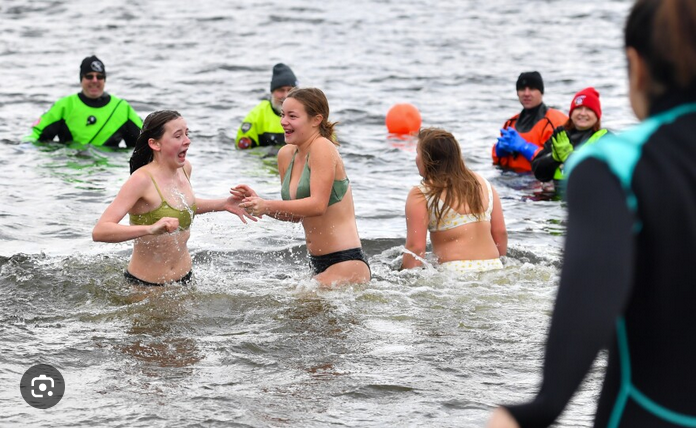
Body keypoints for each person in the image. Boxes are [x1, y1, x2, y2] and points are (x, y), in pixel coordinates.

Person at [486, 0, 696, 427]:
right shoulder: (571, 142)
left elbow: (591, 301)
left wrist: (539, 409)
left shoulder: (614, 163)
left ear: (637, 64)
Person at [92, 110, 255, 286]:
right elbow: (100, 231)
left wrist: (223, 204)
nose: (187, 140)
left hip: (185, 281)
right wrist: (150, 229)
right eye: (178, 136)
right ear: (155, 144)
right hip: (145, 286)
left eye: (187, 133)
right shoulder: (141, 180)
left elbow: (182, 206)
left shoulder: (185, 169)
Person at [233, 87, 370, 286]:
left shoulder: (322, 147)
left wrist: (267, 205)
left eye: (292, 116)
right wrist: (257, 204)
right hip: (316, 263)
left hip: (346, 262)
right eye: (282, 114)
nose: (283, 121)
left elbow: (318, 205)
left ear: (316, 120)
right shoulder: (286, 154)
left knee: (293, 300)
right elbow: (296, 215)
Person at [402, 128, 507, 274]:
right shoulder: (484, 185)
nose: (416, 158)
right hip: (494, 267)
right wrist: (501, 263)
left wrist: (404, 277)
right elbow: (500, 233)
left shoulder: (422, 193)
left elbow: (416, 248)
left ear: (428, 159)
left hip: (455, 273)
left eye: (417, 152)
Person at [28, 55, 143, 148]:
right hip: (70, 164)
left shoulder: (122, 108)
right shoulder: (65, 105)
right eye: (89, 76)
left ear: (104, 80)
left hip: (108, 167)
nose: (94, 81)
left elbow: (144, 142)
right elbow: (35, 134)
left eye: (99, 76)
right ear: (81, 79)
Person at [531, 87, 610, 186]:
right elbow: (538, 172)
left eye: (589, 109)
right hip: (557, 193)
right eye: (578, 108)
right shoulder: (560, 136)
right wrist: (553, 158)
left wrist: (569, 157)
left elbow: (607, 175)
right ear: (571, 113)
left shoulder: (605, 139)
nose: (582, 113)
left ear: (597, 115)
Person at [492, 71, 568, 173]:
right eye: (522, 89)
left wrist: (525, 147)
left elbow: (559, 158)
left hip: (539, 179)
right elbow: (497, 163)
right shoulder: (510, 123)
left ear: (541, 92)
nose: (526, 94)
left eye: (532, 89)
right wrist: (498, 152)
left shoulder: (557, 121)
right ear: (517, 93)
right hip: (510, 178)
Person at [235, 63, 299, 150]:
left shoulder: (307, 113)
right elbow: (242, 149)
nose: (286, 95)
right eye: (281, 90)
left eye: (290, 90)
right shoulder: (257, 115)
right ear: (272, 92)